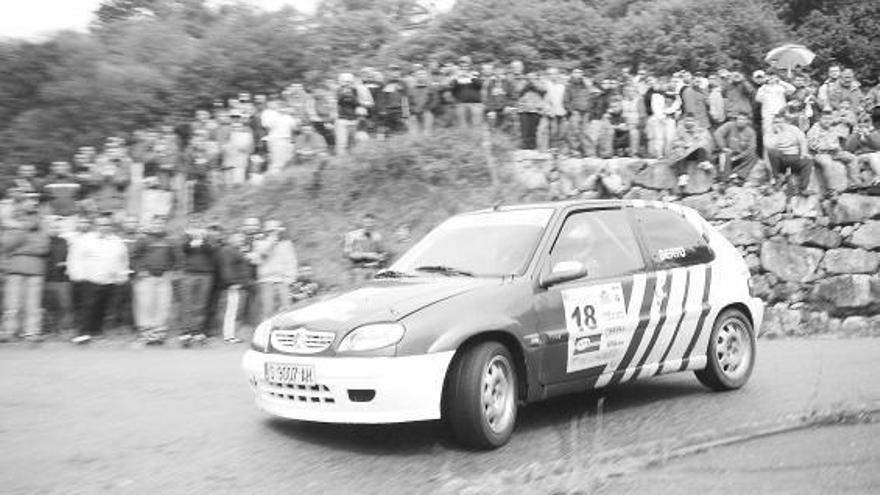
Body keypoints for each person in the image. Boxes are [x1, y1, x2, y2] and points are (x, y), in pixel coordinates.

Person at [66, 214, 130, 343]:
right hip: (89, 279)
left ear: (111, 226)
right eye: (101, 224)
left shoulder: (117, 241)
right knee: (87, 307)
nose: (104, 227)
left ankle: (96, 331)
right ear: (95, 226)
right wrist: (77, 275)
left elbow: (123, 260)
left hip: (109, 280)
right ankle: (83, 332)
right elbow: (75, 258)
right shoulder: (84, 240)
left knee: (102, 307)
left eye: (106, 224)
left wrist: (122, 276)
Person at [1, 205, 49, 342]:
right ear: (23, 216)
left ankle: (32, 332)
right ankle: (9, 331)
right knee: (12, 304)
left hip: (35, 272)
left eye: (34, 215)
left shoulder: (43, 232)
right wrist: (22, 231)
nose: (31, 218)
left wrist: (20, 249)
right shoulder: (16, 230)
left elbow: (43, 249)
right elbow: (6, 245)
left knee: (33, 305)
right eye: (28, 215)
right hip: (15, 271)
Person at [130, 216, 179, 343]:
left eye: (161, 223)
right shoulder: (143, 240)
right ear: (151, 224)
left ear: (165, 225)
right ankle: (146, 335)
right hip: (147, 279)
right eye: (156, 223)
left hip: (164, 279)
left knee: (163, 306)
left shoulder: (170, 240)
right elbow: (134, 257)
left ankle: (158, 335)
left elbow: (176, 258)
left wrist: (172, 271)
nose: (159, 225)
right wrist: (140, 270)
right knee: (146, 306)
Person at [179, 224, 220, 345]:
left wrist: (201, 240)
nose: (197, 230)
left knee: (201, 305)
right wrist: (192, 239)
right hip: (189, 274)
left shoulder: (209, 239)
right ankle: (186, 332)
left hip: (206, 275)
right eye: (194, 227)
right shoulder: (186, 238)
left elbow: (211, 250)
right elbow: (183, 248)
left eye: (199, 227)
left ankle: (198, 332)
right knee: (187, 304)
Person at [253, 220, 298, 320]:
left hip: (282, 280)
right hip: (266, 281)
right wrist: (271, 240)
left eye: (275, 230)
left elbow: (291, 261)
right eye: (270, 231)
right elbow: (261, 256)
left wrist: (291, 278)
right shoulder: (259, 243)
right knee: (267, 311)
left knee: (286, 310)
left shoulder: (286, 244)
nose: (273, 233)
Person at [807, 110, 859, 193]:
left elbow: (836, 143)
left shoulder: (832, 129)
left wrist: (836, 148)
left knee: (852, 158)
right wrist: (827, 147)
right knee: (827, 163)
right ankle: (831, 189)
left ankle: (854, 183)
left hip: (835, 152)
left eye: (829, 119)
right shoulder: (814, 130)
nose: (827, 121)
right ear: (820, 120)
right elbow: (812, 146)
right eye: (825, 119)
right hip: (821, 153)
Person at [764, 112, 812, 196]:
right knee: (772, 152)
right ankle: (778, 178)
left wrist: (804, 153)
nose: (777, 124)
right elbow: (769, 146)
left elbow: (802, 140)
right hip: (780, 159)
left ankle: (803, 188)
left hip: (794, 157)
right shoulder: (770, 131)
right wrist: (778, 135)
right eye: (775, 122)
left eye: (780, 122)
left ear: (785, 122)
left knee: (808, 161)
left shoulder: (793, 129)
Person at [666, 113, 715, 193]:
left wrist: (694, 144)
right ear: (684, 121)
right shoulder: (678, 130)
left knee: (700, 149)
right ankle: (682, 175)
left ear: (695, 121)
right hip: (683, 153)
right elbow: (673, 143)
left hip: (695, 152)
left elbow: (706, 141)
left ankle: (703, 162)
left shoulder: (700, 130)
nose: (689, 122)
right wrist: (684, 145)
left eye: (691, 121)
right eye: (687, 121)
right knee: (679, 154)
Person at [218, 232, 253, 343]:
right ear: (231, 239)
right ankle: (229, 336)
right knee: (231, 311)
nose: (241, 240)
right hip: (233, 286)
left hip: (239, 285)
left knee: (234, 311)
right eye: (238, 238)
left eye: (242, 238)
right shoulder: (228, 250)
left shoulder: (237, 251)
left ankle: (231, 335)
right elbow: (226, 267)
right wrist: (231, 282)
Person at [44, 216, 74, 335]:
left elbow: (71, 257)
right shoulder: (43, 241)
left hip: (63, 279)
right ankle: (51, 330)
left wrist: (66, 263)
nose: (55, 229)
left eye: (57, 227)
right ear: (47, 228)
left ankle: (64, 330)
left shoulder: (64, 241)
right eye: (52, 227)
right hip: (47, 278)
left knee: (65, 306)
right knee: (49, 307)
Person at [713, 112, 759, 184]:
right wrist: (723, 147)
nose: (741, 121)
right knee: (724, 156)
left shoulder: (751, 132)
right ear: (736, 119)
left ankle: (739, 176)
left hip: (740, 156)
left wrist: (738, 157)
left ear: (747, 121)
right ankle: (725, 178)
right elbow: (717, 133)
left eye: (744, 120)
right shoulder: (729, 125)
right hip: (728, 153)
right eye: (740, 119)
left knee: (754, 156)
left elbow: (752, 148)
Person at [343, 213, 387, 284]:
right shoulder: (352, 235)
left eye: (371, 222)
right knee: (359, 292)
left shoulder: (378, 236)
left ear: (375, 223)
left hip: (374, 269)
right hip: (359, 270)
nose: (369, 225)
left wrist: (382, 257)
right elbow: (348, 255)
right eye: (366, 222)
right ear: (362, 222)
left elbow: (382, 252)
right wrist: (367, 255)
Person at [564, 69, 594, 157]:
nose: (578, 74)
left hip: (586, 112)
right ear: (572, 74)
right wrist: (571, 111)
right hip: (575, 112)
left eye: (580, 72)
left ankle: (589, 152)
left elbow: (590, 98)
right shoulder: (569, 85)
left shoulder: (585, 85)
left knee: (585, 132)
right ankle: (575, 151)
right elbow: (566, 100)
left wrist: (589, 109)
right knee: (574, 132)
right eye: (576, 73)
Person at [335, 73, 366, 155]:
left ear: (352, 82)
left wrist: (352, 95)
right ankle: (341, 161)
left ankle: (352, 162)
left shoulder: (355, 91)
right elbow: (339, 101)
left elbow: (359, 103)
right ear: (340, 82)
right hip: (342, 119)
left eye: (349, 81)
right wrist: (345, 93)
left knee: (353, 143)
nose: (347, 83)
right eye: (345, 81)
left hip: (354, 120)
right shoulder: (337, 90)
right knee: (342, 143)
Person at [451, 56, 483, 128]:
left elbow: (479, 86)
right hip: (461, 104)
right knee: (462, 126)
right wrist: (456, 79)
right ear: (460, 66)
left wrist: (470, 77)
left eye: (466, 65)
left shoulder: (475, 74)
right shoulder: (456, 75)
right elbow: (453, 89)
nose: (464, 67)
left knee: (476, 126)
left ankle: (476, 138)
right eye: (462, 66)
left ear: (470, 65)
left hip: (475, 104)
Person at [517, 72, 546, 150]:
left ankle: (533, 146)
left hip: (535, 109)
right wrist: (526, 86)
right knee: (525, 129)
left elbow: (543, 91)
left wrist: (534, 85)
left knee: (533, 129)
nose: (531, 78)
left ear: (536, 76)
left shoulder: (540, 82)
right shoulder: (522, 82)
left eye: (533, 76)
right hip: (524, 109)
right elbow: (518, 92)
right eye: (529, 76)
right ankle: (525, 146)